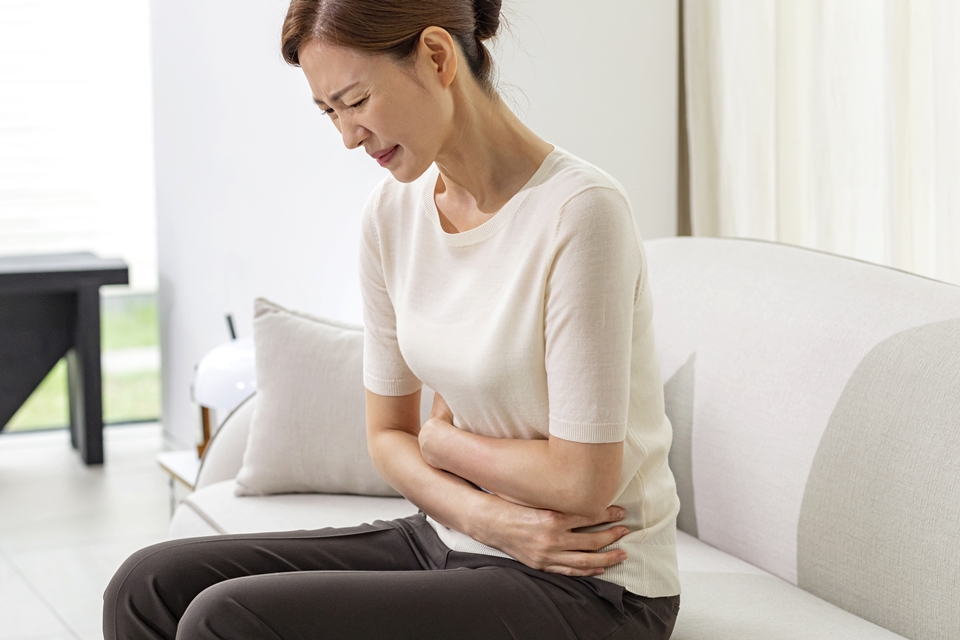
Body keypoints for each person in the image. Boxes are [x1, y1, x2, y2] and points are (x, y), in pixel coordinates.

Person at [103, 1, 682, 638]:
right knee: (146, 585)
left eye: (355, 101)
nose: (348, 136)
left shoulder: (579, 212)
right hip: (458, 535)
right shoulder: (391, 216)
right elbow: (386, 436)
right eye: (329, 112)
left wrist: (443, 444)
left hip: (591, 584)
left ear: (436, 57)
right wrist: (481, 516)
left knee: (225, 621)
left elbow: (581, 479)